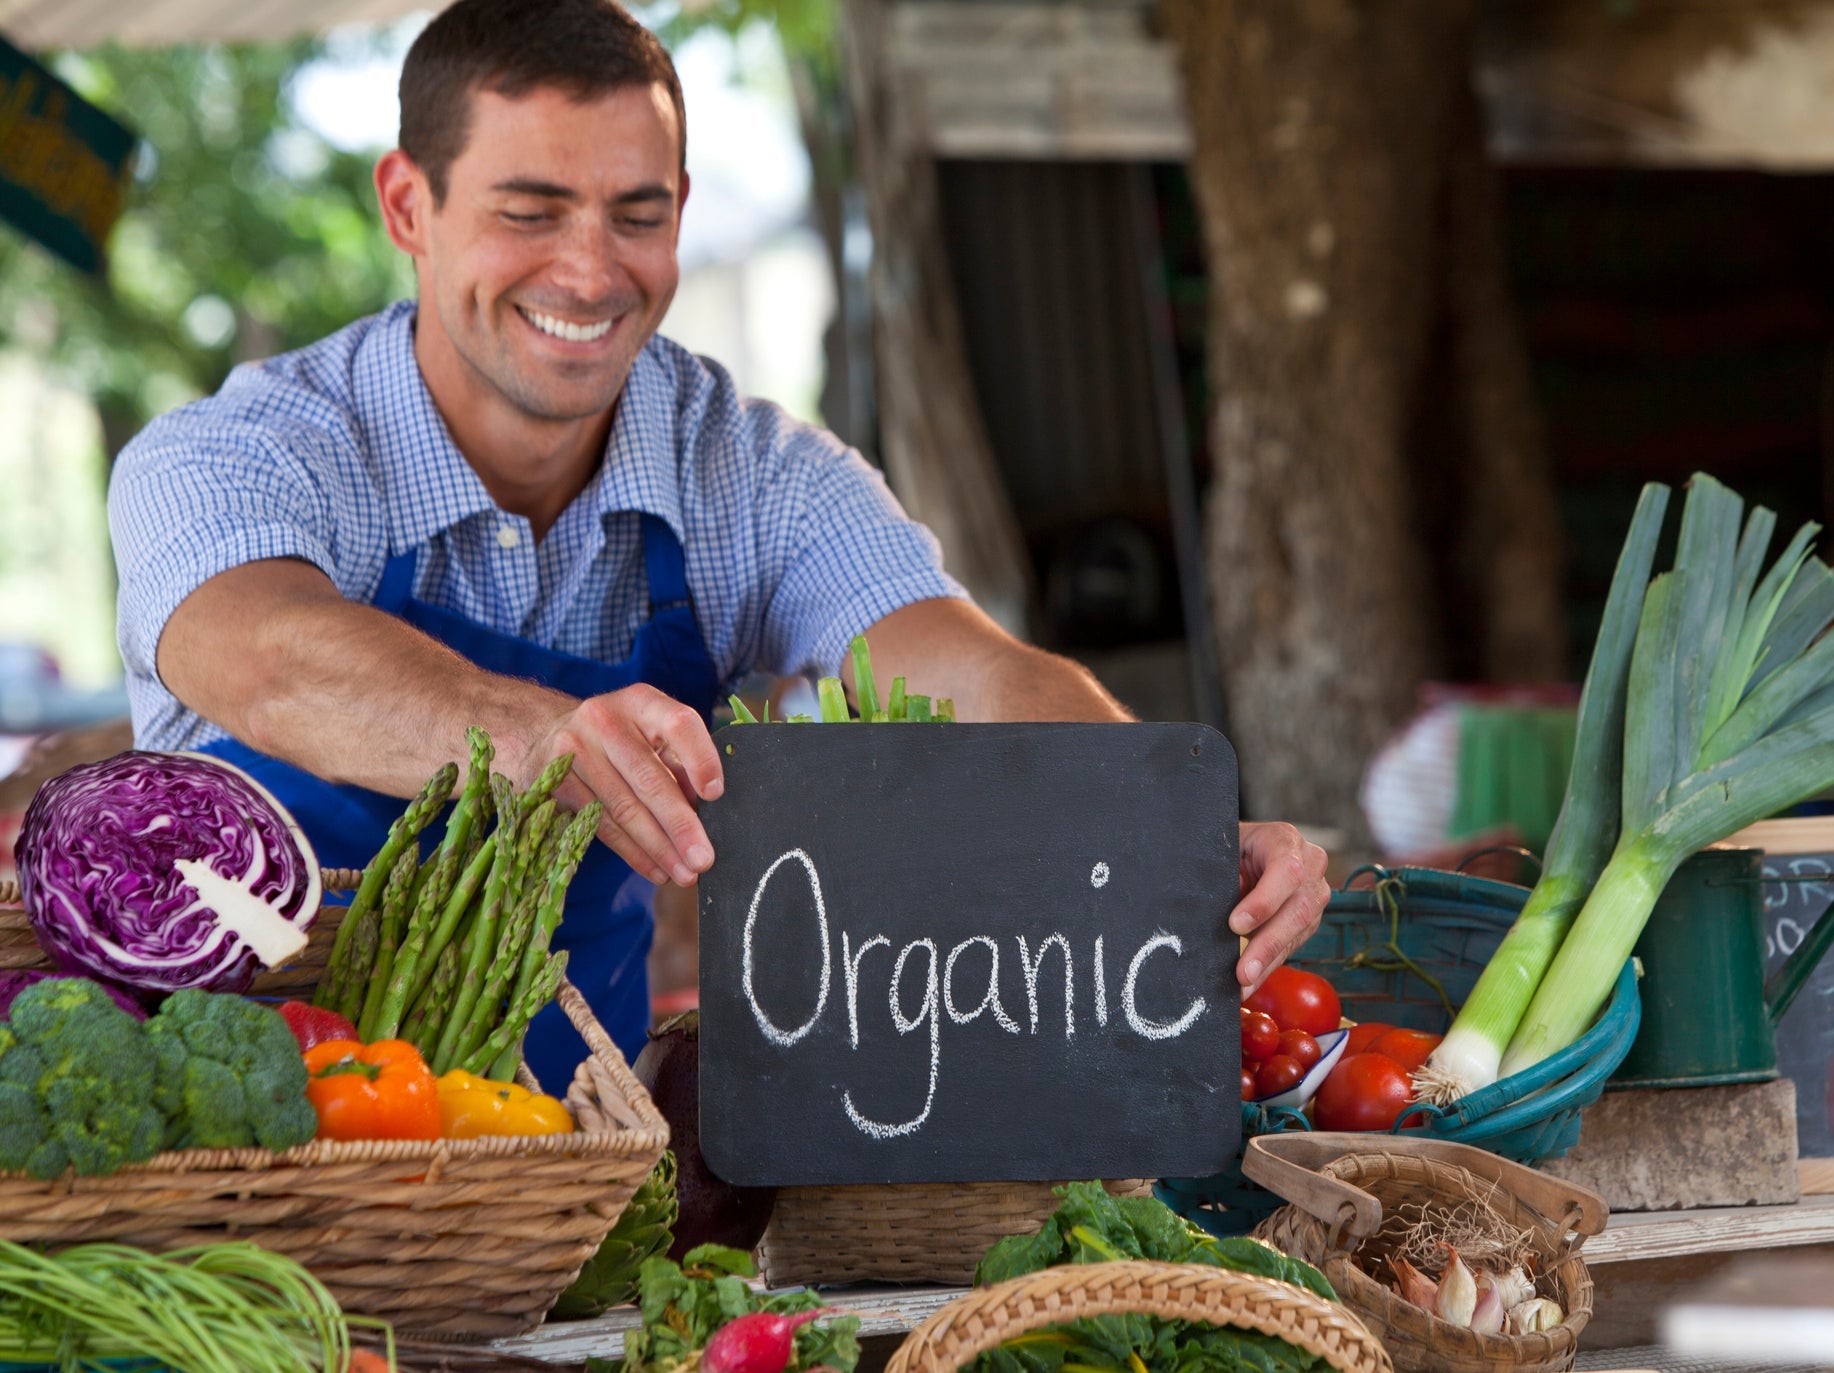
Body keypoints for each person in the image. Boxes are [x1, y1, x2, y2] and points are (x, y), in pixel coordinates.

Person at [108, 0, 1329, 1084]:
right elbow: (262, 651)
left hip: (569, 1183)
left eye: (635, 216)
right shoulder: (239, 452)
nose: (588, 272)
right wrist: (539, 740)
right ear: (407, 206)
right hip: (237, 1161)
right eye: (529, 212)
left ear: (681, 211)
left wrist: (1158, 820)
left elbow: (973, 671)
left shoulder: (750, 474)